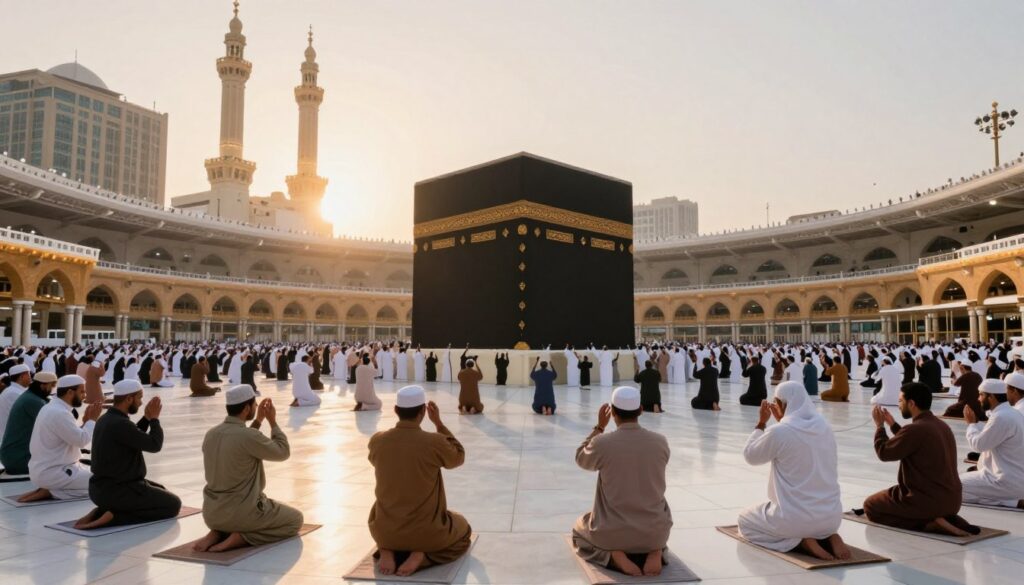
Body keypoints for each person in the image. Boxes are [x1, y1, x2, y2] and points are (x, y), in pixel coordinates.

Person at [738, 381, 849, 560]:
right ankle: (828, 536)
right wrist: (781, 420)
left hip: (795, 520)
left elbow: (751, 456)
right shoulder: (824, 427)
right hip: (832, 518)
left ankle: (800, 543)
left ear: (783, 404)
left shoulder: (779, 432)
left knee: (745, 520)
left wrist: (761, 423)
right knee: (817, 520)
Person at [368, 386, 472, 577]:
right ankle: (422, 557)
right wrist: (439, 423)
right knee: (464, 530)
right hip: (426, 534)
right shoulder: (434, 442)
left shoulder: (377, 441)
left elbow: (375, 459)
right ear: (423, 411)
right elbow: (459, 456)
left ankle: (386, 549)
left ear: (396, 410)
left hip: (384, 531)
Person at [571, 387, 672, 576]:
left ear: (613, 412)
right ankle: (657, 551)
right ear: (641, 410)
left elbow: (580, 458)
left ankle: (614, 556)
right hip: (655, 532)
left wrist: (599, 427)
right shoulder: (660, 442)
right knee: (654, 516)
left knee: (580, 528)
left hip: (612, 533)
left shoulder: (602, 443)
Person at [192, 386, 304, 552]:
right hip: (242, 514)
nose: (256, 406)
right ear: (246, 408)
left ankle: (217, 533)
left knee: (230, 511)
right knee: (295, 520)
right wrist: (272, 422)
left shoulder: (211, 434)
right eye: (254, 404)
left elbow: (241, 444)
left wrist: (258, 421)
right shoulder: (248, 437)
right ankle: (242, 537)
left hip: (212, 514)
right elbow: (282, 452)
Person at [861, 383, 978, 536]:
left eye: (901, 401)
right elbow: (910, 442)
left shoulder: (915, 429)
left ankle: (928, 523)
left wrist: (880, 427)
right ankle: (949, 519)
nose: (899, 405)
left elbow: (884, 453)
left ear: (911, 403)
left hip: (926, 501)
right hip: (952, 501)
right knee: (891, 497)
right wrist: (892, 424)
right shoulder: (941, 425)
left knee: (870, 506)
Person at [74, 379, 182, 529]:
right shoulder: (120, 423)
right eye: (139, 398)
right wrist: (155, 420)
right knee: (173, 505)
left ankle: (103, 510)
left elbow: (133, 437)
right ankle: (115, 517)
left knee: (161, 490)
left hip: (100, 490)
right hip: (119, 491)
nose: (140, 403)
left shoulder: (106, 419)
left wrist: (146, 418)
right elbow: (154, 445)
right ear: (129, 399)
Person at [19, 375, 103, 502]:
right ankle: (52, 490)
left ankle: (51, 489)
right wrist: (92, 420)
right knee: (106, 482)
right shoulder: (59, 413)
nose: (84, 395)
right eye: (82, 391)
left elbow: (69, 436)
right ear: (70, 392)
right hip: (55, 473)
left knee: (103, 475)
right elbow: (81, 441)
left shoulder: (53, 407)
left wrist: (86, 422)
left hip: (52, 469)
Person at [958, 379, 1024, 509]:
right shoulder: (1012, 413)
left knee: (950, 489)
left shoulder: (1001, 417)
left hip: (1003, 481)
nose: (978, 399)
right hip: (1014, 479)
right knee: (954, 483)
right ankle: (1013, 501)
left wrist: (971, 424)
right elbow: (992, 433)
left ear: (992, 397)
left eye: (981, 395)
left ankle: (1012, 501)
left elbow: (978, 445)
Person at [0, 372, 57, 475]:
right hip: (19, 459)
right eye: (52, 385)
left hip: (13, 456)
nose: (52, 389)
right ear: (43, 385)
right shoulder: (32, 401)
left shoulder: (30, 396)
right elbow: (55, 428)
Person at [0, 364, 31, 440]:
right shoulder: (14, 393)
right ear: (22, 377)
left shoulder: (14, 390)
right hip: (10, 438)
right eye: (29, 374)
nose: (30, 377)